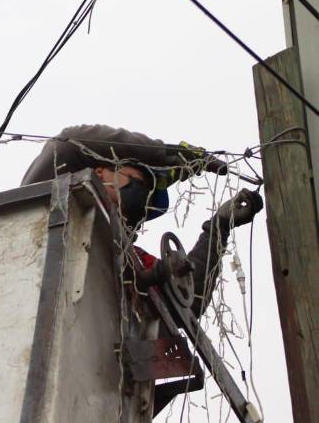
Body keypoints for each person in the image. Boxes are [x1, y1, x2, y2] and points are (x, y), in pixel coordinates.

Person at [21, 124, 262, 315]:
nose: (142, 193)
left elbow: (189, 301)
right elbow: (68, 142)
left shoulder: (131, 258)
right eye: (138, 180)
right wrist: (168, 155)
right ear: (100, 171)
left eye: (147, 192)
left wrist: (218, 226)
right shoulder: (47, 207)